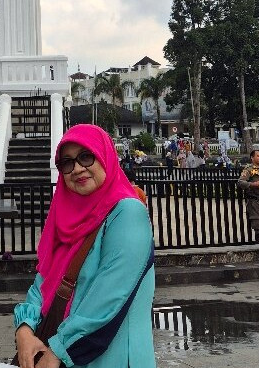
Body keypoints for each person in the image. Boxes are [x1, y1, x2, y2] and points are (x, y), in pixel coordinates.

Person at [13, 124, 155, 368]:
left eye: (86, 156)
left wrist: (58, 349)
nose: (77, 168)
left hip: (114, 358)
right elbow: (43, 283)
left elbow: (109, 297)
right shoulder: (68, 221)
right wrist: (24, 330)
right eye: (67, 163)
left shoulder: (127, 213)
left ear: (105, 157)